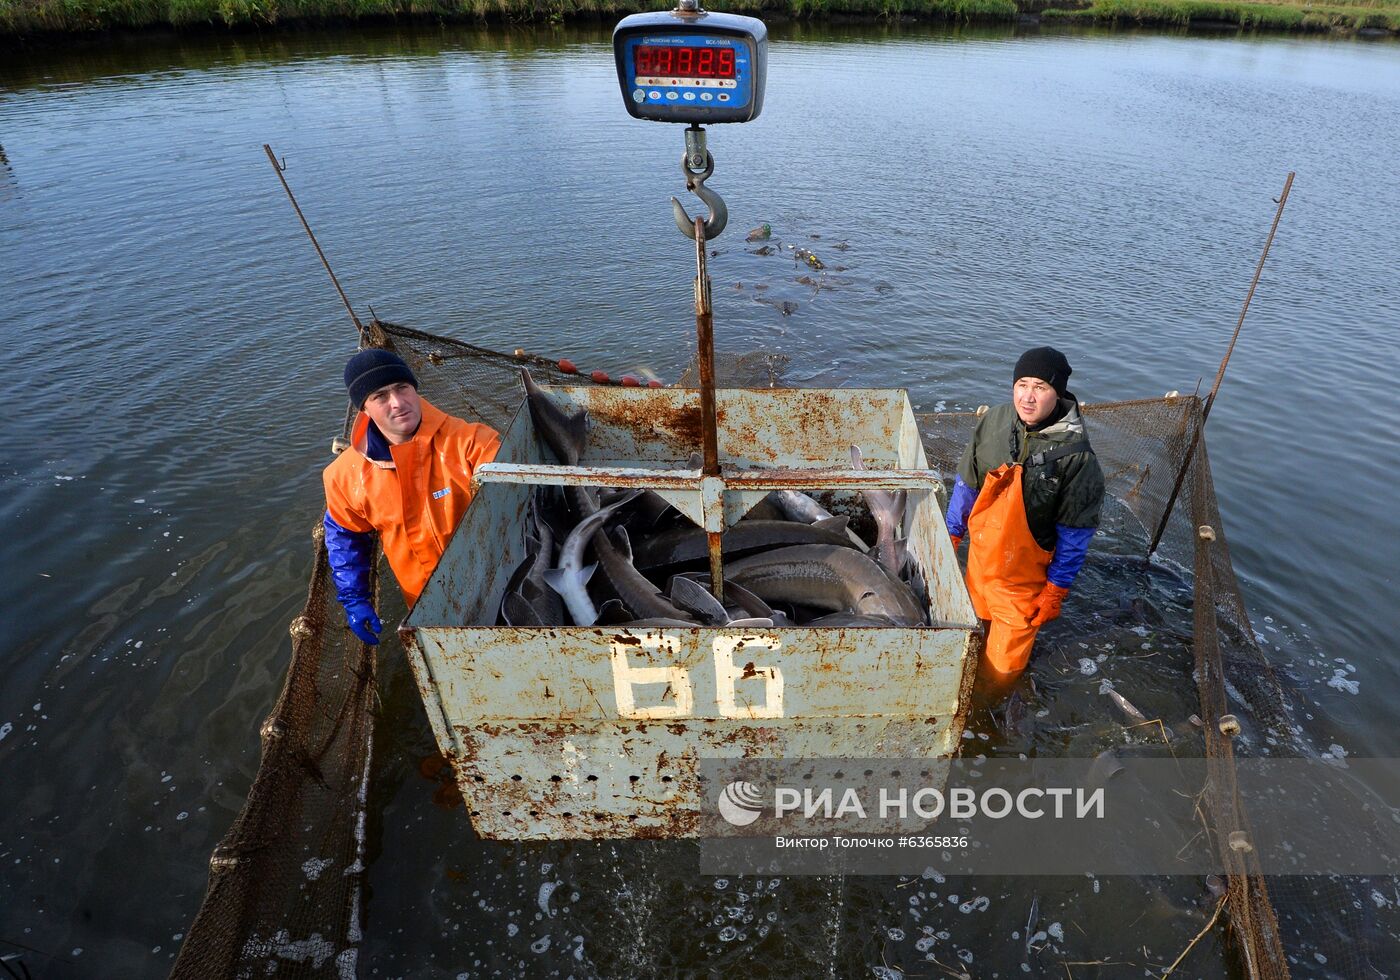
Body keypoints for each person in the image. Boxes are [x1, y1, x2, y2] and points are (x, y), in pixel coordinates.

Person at [944, 347, 1105, 680]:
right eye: (1022, 384)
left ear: (1057, 393)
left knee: (1001, 672)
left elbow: (1075, 535)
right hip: (980, 564)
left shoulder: (1078, 458)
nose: (1028, 397)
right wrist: (951, 534)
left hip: (1022, 584)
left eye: (1040, 387)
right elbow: (966, 483)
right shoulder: (994, 422)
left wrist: (1055, 590)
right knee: (964, 648)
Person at [323, 349, 502, 644]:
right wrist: (354, 597)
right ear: (364, 409)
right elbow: (346, 536)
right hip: (425, 606)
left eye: (402, 388)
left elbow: (513, 485)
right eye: (380, 396)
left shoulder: (471, 442)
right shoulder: (344, 476)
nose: (398, 403)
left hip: (496, 581)